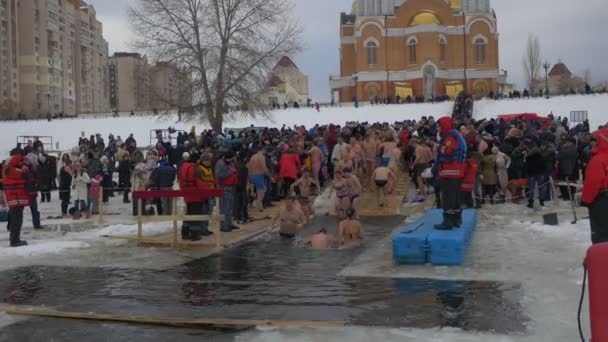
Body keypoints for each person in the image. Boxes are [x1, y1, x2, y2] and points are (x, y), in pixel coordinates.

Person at [435, 116, 467, 230]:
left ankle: (447, 221)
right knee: (456, 197)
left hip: (450, 171)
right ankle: (456, 220)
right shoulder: (457, 135)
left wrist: (440, 147)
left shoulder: (449, 136)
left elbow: (448, 151)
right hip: (457, 171)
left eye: (439, 126)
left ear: (444, 126)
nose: (438, 128)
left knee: (448, 197)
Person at [581, 128, 608, 244]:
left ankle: (601, 259)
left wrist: (586, 200)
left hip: (602, 200)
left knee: (601, 234)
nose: (592, 142)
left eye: (595, 140)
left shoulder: (597, 160)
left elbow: (592, 183)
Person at [178, 153, 213, 240]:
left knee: (188, 214)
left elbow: (180, 181)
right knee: (196, 215)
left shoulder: (182, 167)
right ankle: (195, 235)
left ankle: (184, 234)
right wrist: (206, 194)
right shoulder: (196, 169)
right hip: (196, 196)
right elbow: (201, 184)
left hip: (187, 194)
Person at [3, 154, 30, 247]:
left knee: (17, 220)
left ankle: (15, 239)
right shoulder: (10, 169)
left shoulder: (11, 169)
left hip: (17, 198)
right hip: (15, 198)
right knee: (16, 220)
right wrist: (24, 167)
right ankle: (14, 241)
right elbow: (24, 174)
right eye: (23, 163)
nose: (24, 165)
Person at [216, 151, 239, 232]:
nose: (232, 160)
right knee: (224, 208)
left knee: (230, 207)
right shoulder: (220, 164)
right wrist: (230, 172)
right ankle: (223, 225)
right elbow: (218, 175)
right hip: (224, 188)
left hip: (231, 187)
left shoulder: (229, 163)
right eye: (231, 158)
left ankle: (229, 223)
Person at [247, 146, 272, 212]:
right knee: (261, 192)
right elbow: (264, 168)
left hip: (252, 175)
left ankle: (257, 204)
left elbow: (249, 166)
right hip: (259, 175)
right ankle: (259, 206)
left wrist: (249, 176)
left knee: (260, 190)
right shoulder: (262, 157)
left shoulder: (253, 156)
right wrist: (270, 176)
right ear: (263, 150)